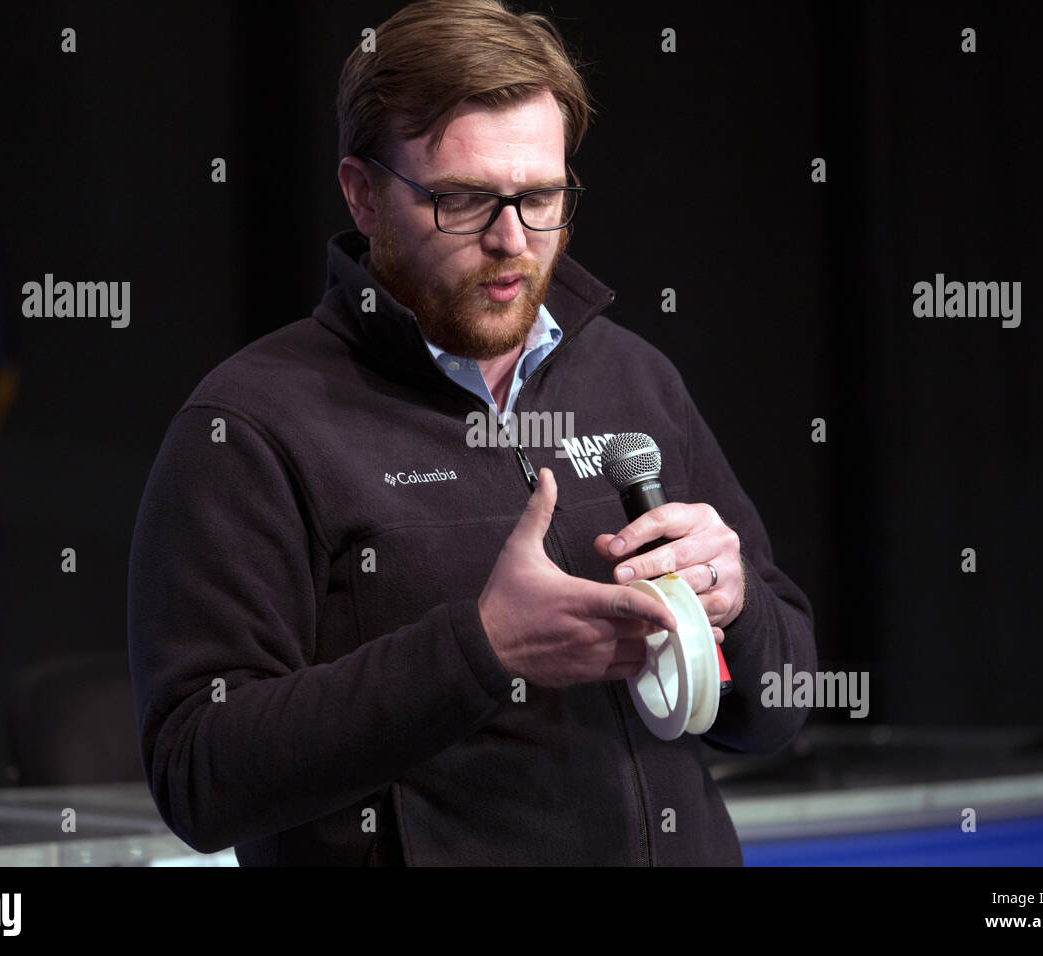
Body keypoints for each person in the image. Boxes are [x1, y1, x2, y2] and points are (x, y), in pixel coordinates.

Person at [127, 0, 816, 866]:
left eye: (541, 197)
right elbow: (198, 774)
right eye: (462, 201)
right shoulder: (250, 427)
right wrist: (481, 649)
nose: (511, 241)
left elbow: (777, 711)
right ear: (363, 194)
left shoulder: (636, 379)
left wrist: (739, 603)